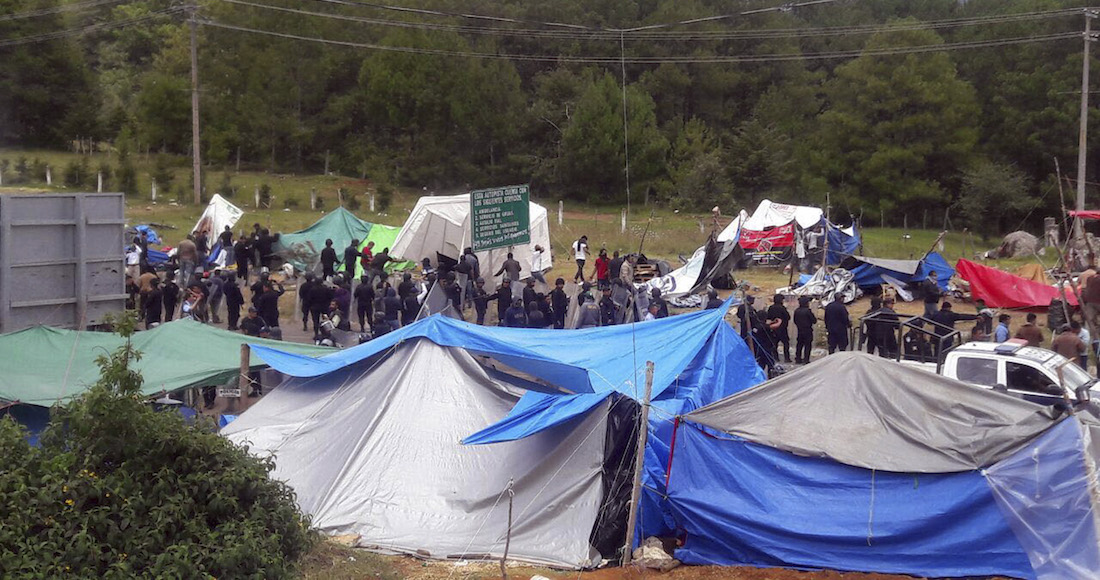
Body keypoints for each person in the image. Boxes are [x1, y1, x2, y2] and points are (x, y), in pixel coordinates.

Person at [766, 294, 792, 363]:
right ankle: (787, 358)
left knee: (774, 344)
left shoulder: (771, 307)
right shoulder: (782, 308)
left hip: (774, 328)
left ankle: (776, 357)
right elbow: (788, 317)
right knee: (786, 343)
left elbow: (768, 317)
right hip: (783, 329)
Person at [793, 296, 816, 363]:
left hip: (800, 330)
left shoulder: (797, 311)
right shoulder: (808, 311)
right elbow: (814, 320)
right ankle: (806, 359)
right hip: (807, 330)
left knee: (799, 344)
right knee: (807, 345)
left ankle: (798, 358)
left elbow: (795, 320)